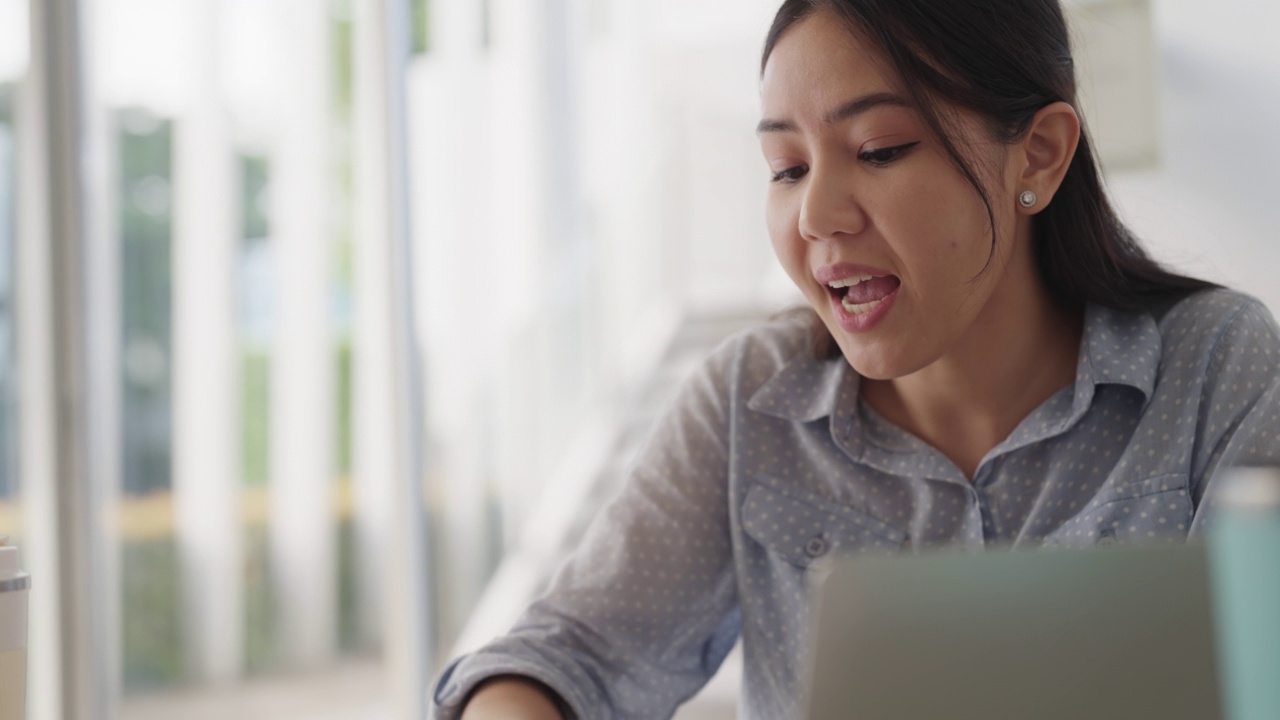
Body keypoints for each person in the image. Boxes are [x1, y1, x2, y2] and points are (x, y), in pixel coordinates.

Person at [430, 0, 1280, 718]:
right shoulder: (748, 402)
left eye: (879, 150)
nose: (817, 216)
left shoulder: (1218, 366)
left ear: (1041, 153)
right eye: (787, 167)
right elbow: (564, 656)